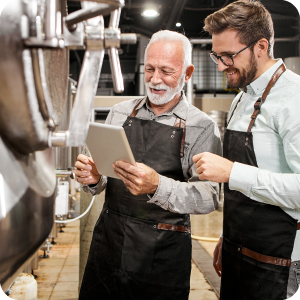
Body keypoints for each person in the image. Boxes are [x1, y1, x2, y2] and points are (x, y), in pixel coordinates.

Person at [75, 30, 222, 300]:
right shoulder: (120, 112)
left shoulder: (202, 127)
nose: (155, 80)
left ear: (187, 73)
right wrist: (93, 178)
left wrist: (158, 186)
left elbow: (210, 196)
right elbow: (101, 181)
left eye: (166, 71)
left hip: (162, 256)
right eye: (150, 69)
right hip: (110, 242)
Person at [192, 1, 300, 299]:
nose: (220, 65)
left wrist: (232, 172)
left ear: (261, 46)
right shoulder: (242, 98)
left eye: (229, 55)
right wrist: (227, 237)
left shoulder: (294, 98)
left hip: (279, 265)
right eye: (217, 55)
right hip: (238, 253)